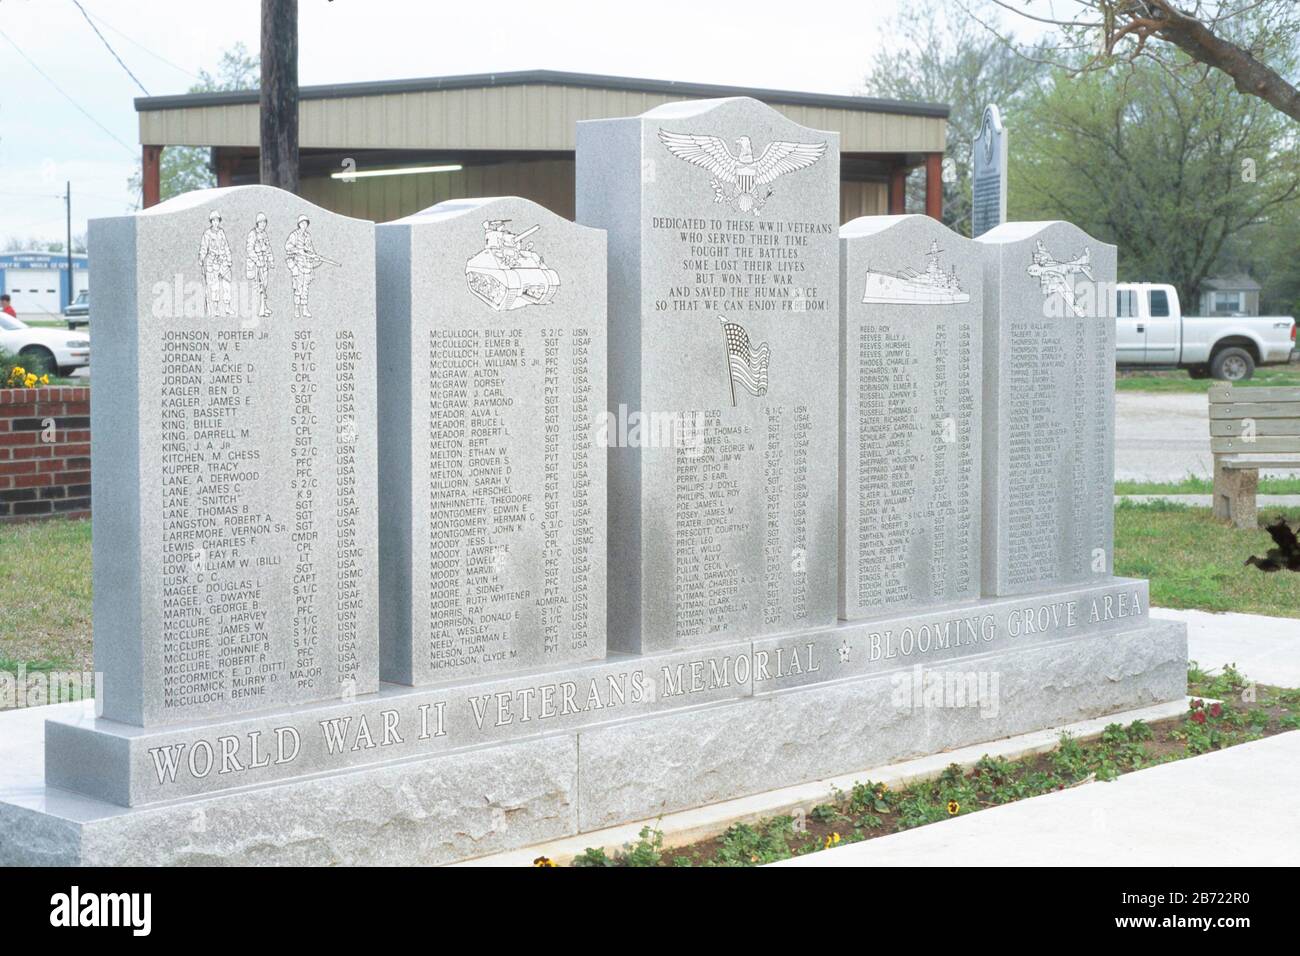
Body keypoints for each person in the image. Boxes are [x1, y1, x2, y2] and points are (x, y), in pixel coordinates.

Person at [198, 210, 233, 317]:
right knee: (215, 287)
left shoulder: (222, 232)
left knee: (227, 286)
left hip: (223, 262)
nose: (215, 223)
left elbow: (226, 246)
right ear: (211, 222)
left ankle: (227, 307)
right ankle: (216, 309)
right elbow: (204, 248)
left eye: (217, 220)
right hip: (212, 263)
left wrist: (229, 259)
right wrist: (201, 258)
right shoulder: (207, 234)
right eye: (213, 221)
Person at [245, 212, 274, 318]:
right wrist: (257, 260)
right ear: (257, 223)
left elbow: (268, 248)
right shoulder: (253, 234)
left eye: (264, 222)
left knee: (264, 286)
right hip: (256, 265)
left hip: (264, 263)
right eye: (261, 222)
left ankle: (264, 307)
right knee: (258, 287)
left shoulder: (264, 234)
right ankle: (258, 309)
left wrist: (271, 260)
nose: (263, 224)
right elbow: (249, 249)